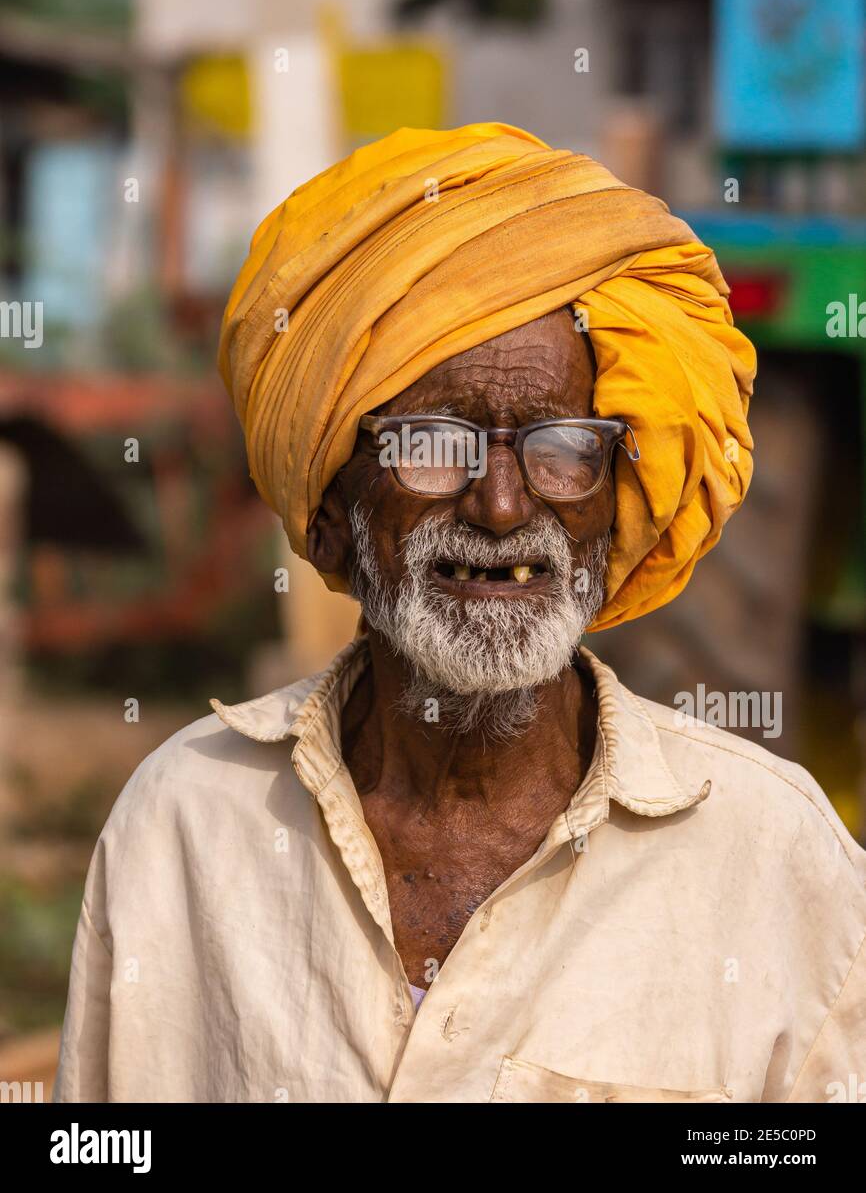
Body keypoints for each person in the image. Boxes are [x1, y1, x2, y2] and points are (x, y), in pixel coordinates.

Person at [55, 124, 866, 1103]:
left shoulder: (770, 858)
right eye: (430, 443)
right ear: (331, 519)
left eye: (559, 447)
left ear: (613, 496)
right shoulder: (184, 827)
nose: (501, 506)